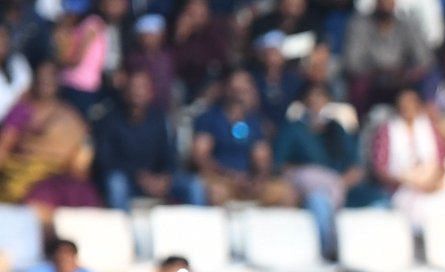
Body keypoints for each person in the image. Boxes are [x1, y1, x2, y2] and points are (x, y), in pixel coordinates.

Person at [274, 83, 362, 257]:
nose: (315, 101)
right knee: (319, 200)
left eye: (320, 97)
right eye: (311, 97)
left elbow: (355, 167)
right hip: (305, 185)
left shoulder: (336, 128)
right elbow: (281, 165)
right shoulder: (293, 128)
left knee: (378, 202)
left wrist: (338, 183)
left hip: (339, 187)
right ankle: (329, 252)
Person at [191, 69, 298, 207]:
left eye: (244, 90)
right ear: (226, 89)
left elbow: (262, 158)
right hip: (220, 179)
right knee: (216, 192)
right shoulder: (209, 118)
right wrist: (230, 175)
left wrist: (257, 180)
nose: (239, 95)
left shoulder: (255, 122)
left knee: (285, 193)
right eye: (236, 90)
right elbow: (201, 157)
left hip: (248, 182)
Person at [0, 61, 98, 210]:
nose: (46, 82)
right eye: (41, 78)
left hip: (61, 177)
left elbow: (82, 156)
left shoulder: (70, 115)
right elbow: (4, 146)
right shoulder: (22, 110)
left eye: (50, 78)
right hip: (24, 177)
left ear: (58, 82)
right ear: (35, 81)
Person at [94, 69, 185, 208]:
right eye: (133, 87)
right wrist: (139, 177)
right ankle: (122, 228)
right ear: (125, 92)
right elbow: (105, 161)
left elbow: (170, 155)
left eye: (142, 87)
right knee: (116, 184)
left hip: (156, 180)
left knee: (193, 186)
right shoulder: (109, 120)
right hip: (128, 181)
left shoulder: (159, 120)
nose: (137, 92)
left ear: (150, 92)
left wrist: (164, 178)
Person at [369, 85, 445, 229]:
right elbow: (379, 169)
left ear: (418, 105)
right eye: (403, 104)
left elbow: (442, 162)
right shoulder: (386, 130)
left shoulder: (429, 128)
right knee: (418, 211)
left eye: (411, 103)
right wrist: (409, 182)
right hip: (400, 189)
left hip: (431, 186)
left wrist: (431, 182)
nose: (407, 107)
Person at [342, 0, 431, 113]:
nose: (386, 3)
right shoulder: (360, 25)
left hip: (401, 83)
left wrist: (406, 72)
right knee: (358, 87)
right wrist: (379, 71)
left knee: (423, 83)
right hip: (371, 84)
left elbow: (424, 59)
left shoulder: (406, 25)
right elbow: (352, 62)